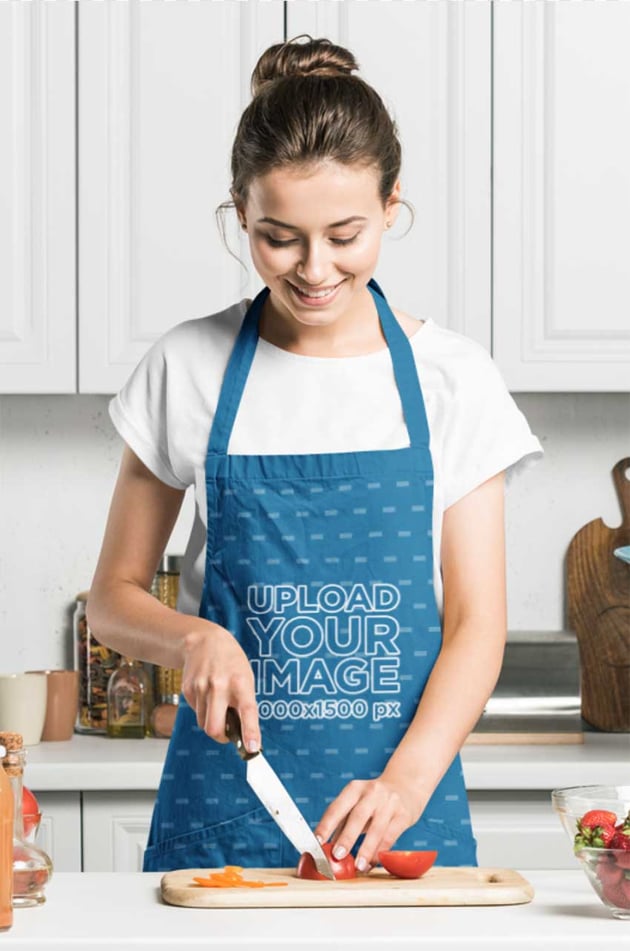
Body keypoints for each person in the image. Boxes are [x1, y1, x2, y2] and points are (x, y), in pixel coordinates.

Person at [88, 36, 542, 874]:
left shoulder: (455, 381)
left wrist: (402, 785)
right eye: (278, 237)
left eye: (345, 234)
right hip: (223, 813)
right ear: (240, 209)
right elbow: (110, 599)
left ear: (392, 204)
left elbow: (478, 624)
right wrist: (193, 639)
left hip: (402, 806)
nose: (314, 268)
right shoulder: (189, 366)